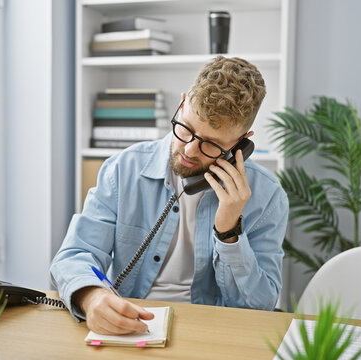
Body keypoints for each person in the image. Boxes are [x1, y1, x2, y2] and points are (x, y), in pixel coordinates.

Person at [50, 56, 288, 335]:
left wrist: (229, 231)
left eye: (210, 144)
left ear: (241, 144)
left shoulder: (268, 197)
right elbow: (75, 254)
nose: (189, 150)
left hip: (214, 333)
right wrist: (92, 298)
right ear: (181, 103)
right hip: (131, 326)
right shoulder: (123, 170)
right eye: (186, 129)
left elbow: (258, 307)